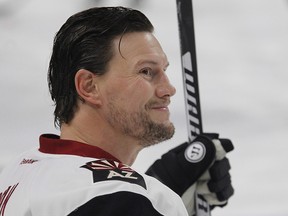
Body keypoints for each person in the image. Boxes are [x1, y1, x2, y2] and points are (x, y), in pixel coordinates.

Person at [0, 7, 234, 216]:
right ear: (89, 86)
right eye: (146, 72)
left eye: (164, 70)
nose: (168, 89)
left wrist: (158, 187)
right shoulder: (116, 199)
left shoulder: (20, 171)